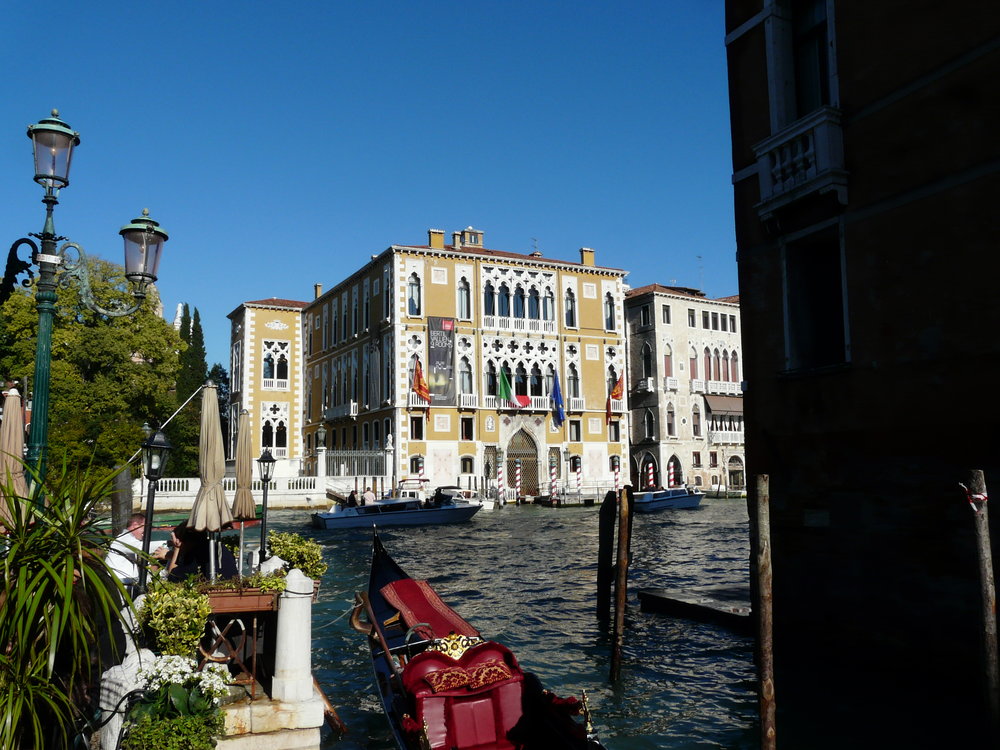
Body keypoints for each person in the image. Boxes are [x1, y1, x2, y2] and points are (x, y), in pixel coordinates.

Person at [154, 521, 237, 582]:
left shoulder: (194, 556)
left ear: (181, 541)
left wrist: (176, 548)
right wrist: (172, 555)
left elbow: (172, 578)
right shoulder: (218, 548)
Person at [107, 513, 146, 587]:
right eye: (144, 528)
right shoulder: (124, 539)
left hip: (124, 583)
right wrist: (167, 544)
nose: (145, 533)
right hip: (121, 585)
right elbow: (141, 548)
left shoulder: (127, 539)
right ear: (135, 525)